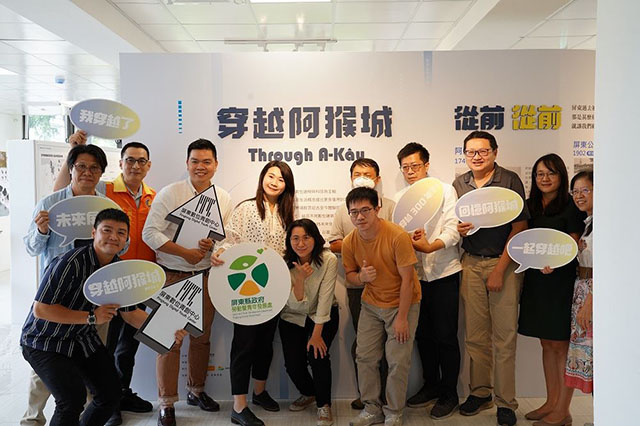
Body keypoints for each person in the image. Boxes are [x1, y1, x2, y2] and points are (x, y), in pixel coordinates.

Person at [20, 208, 187, 426]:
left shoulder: (121, 270)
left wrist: (166, 329)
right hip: (44, 341)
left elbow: (130, 314)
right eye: (107, 230)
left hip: (81, 338)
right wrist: (91, 317)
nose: (113, 237)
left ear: (126, 239)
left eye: (121, 232)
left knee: (111, 394)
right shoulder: (69, 262)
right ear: (93, 233)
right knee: (71, 399)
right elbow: (41, 310)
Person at [54, 131, 157, 425]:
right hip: (107, 282)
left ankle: (120, 393)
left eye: (141, 161)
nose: (135, 166)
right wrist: (73, 151)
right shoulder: (105, 188)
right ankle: (106, 402)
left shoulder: (154, 196)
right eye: (129, 160)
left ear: (148, 165)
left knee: (128, 347)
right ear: (120, 163)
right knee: (104, 346)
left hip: (139, 282)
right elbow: (63, 196)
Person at [142, 138, 232, 426]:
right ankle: (167, 403)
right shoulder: (171, 193)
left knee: (201, 339)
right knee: (168, 342)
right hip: (172, 274)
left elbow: (227, 239)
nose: (200, 167)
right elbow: (150, 233)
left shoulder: (223, 198)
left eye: (206, 161)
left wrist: (212, 247)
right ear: (187, 163)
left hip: (205, 277)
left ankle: (196, 391)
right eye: (195, 161)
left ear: (216, 165)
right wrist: (185, 253)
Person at [22, 143, 109, 426]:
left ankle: (85, 416)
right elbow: (31, 248)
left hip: (95, 295)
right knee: (46, 361)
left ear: (101, 173)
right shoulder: (50, 204)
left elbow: (122, 244)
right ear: (70, 169)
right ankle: (32, 418)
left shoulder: (106, 207)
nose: (87, 172)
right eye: (81, 166)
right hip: (56, 297)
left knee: (90, 359)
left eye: (94, 167)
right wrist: (41, 230)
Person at [452, 131, 529, 426]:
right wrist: (458, 229)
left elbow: (519, 227)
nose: (477, 157)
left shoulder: (509, 180)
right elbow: (455, 223)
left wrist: (499, 270)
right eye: (471, 152)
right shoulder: (460, 183)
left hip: (503, 264)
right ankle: (480, 392)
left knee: (504, 337)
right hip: (471, 263)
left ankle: (506, 402)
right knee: (475, 336)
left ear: (495, 152)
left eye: (483, 151)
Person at [211, 160, 296, 426]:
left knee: (265, 343)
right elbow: (229, 238)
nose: (275, 182)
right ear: (262, 178)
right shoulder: (246, 208)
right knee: (244, 344)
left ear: (287, 186)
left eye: (281, 179)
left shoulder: (287, 213)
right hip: (246, 288)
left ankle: (259, 393)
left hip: (273, 288)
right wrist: (220, 251)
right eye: (271, 176)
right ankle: (239, 406)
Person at [342, 187, 421, 426]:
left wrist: (402, 318)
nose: (360, 217)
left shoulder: (397, 236)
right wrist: (361, 278)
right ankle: (371, 409)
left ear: (377, 209)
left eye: (365, 210)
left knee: (397, 361)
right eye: (354, 212)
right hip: (371, 304)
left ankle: (394, 412)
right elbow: (350, 275)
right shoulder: (349, 241)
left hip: (402, 304)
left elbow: (408, 280)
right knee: (364, 357)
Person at [395, 142, 462, 419]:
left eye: (415, 166)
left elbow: (453, 229)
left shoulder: (445, 190)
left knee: (446, 336)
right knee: (422, 335)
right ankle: (431, 385)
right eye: (406, 167)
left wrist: (430, 246)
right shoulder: (399, 198)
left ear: (426, 165)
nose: (411, 171)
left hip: (444, 272)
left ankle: (450, 393)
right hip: (415, 277)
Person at [517, 154, 585, 426]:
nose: (545, 179)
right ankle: (551, 401)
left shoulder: (571, 205)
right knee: (546, 343)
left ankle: (563, 410)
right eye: (540, 174)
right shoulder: (530, 205)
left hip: (561, 282)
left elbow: (573, 243)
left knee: (560, 345)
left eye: (551, 173)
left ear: (561, 176)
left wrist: (556, 262)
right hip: (537, 281)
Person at [327, 158, 395, 410]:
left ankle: (387, 396)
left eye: (368, 173)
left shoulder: (390, 206)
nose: (362, 177)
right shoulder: (344, 210)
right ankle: (367, 395)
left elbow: (399, 240)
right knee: (365, 343)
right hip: (357, 287)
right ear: (351, 178)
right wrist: (357, 243)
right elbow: (334, 243)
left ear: (377, 179)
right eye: (357, 174)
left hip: (389, 286)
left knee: (390, 344)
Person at [280, 219, 339, 426]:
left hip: (322, 315)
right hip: (292, 315)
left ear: (315, 238)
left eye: (306, 237)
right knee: (293, 365)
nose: (301, 243)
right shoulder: (284, 263)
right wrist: (300, 278)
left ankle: (324, 405)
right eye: (295, 238)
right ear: (289, 241)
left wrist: (316, 334)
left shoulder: (328, 259)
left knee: (317, 356)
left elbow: (325, 298)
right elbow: (292, 303)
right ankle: (309, 393)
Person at [564, 170, 593, 401]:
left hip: (593, 296)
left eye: (585, 190)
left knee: (599, 360)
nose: (579, 196)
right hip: (582, 291)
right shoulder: (588, 222)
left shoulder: (608, 223)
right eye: (575, 191)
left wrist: (590, 304)